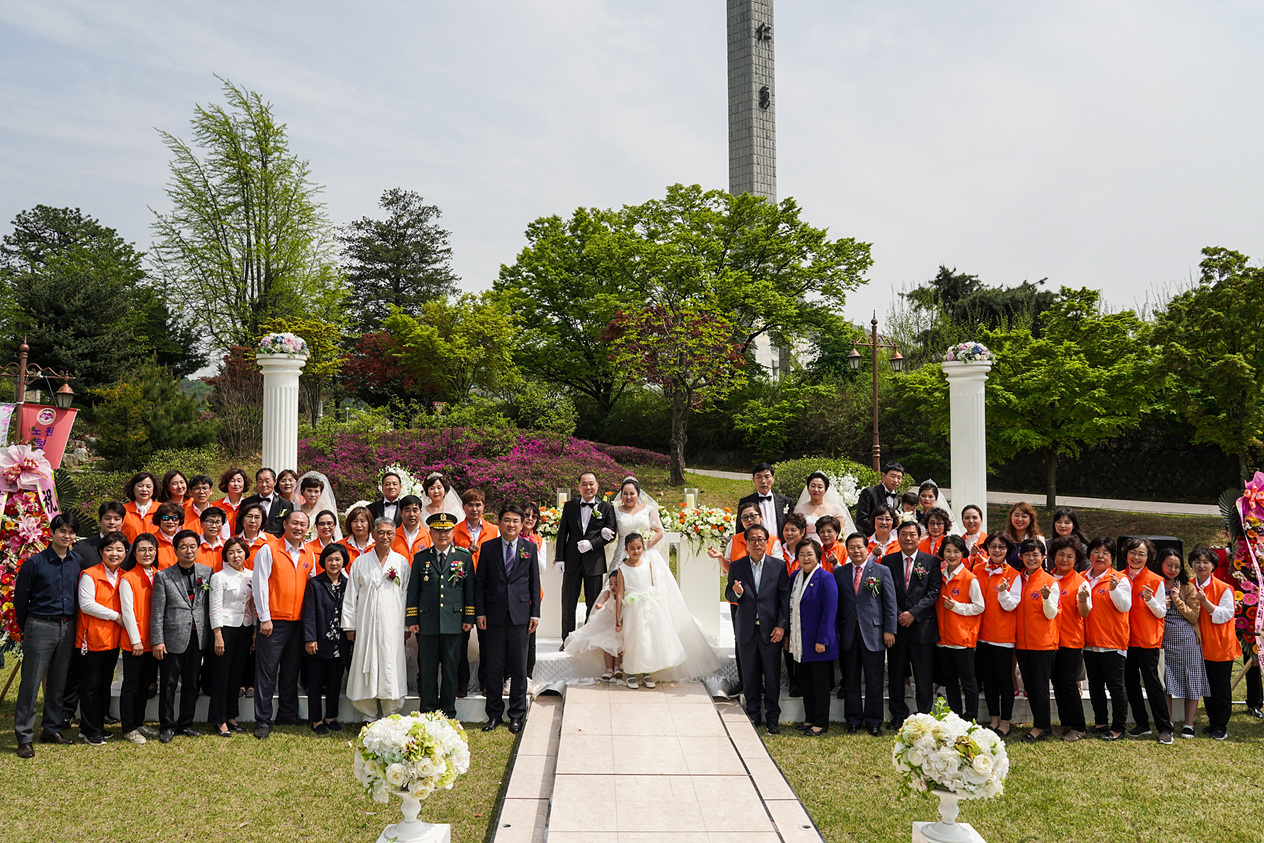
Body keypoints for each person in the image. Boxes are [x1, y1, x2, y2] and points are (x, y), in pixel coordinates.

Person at [13, 513, 81, 758]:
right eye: (62, 531)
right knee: (30, 683)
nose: (67, 536)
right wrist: (29, 626)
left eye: (71, 532)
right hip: (40, 625)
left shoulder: (77, 561)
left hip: (68, 625)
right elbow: (20, 600)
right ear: (52, 533)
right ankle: (24, 735)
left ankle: (51, 728)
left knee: (58, 681)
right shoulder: (35, 563)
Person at [252, 509, 318, 739]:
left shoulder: (310, 554)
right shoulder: (269, 549)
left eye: (303, 524)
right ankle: (262, 718)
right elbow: (259, 584)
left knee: (291, 670)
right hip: (274, 621)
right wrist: (264, 617)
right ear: (286, 525)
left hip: (298, 622)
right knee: (267, 671)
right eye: (295, 523)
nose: (298, 528)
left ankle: (287, 713)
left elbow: (313, 588)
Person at [62, 502, 128, 731]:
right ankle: (68, 714)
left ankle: (101, 715)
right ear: (100, 520)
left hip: (110, 629)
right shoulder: (83, 548)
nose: (112, 522)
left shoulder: (123, 550)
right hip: (85, 623)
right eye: (108, 518)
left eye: (117, 518)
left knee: (102, 676)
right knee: (79, 672)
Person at [475, 505, 541, 733]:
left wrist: (535, 613)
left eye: (515, 521)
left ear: (522, 524)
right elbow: (480, 583)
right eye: (506, 520)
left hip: (521, 616)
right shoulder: (488, 547)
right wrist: (480, 612)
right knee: (494, 666)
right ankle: (493, 714)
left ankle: (516, 714)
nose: (511, 524)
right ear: (500, 523)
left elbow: (534, 584)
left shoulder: (529, 548)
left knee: (519, 668)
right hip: (493, 616)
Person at [406, 513, 475, 719]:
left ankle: (447, 713)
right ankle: (427, 712)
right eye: (438, 531)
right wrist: (412, 620)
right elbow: (413, 592)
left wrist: (469, 618)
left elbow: (469, 591)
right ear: (431, 533)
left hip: (454, 624)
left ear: (453, 532)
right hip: (427, 624)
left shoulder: (463, 557)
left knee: (450, 671)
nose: (442, 535)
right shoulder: (421, 558)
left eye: (446, 531)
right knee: (427, 671)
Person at [344, 517, 411, 720]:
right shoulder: (361, 562)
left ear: (394, 535)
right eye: (380, 532)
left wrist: (407, 625)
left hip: (393, 625)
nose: (385, 537)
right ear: (373, 534)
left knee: (391, 663)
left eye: (389, 533)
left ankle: (392, 713)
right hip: (365, 625)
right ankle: (368, 715)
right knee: (366, 663)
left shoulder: (401, 562)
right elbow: (350, 596)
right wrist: (349, 625)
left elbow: (407, 595)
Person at [726, 522, 790, 734]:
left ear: (767, 542)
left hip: (771, 630)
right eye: (751, 540)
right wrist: (736, 592)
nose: (756, 543)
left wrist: (781, 627)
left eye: (760, 539)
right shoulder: (737, 566)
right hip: (746, 630)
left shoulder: (778, 566)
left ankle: (772, 718)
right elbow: (728, 594)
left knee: (771, 677)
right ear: (746, 543)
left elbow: (784, 599)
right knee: (750, 676)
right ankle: (753, 715)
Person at [151, 529, 213, 743]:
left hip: (198, 636)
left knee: (191, 682)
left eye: (192, 546)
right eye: (184, 547)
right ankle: (167, 725)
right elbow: (158, 611)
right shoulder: (163, 575)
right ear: (175, 550)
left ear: (198, 548)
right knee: (168, 683)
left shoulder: (207, 572)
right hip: (172, 638)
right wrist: (157, 640)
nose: (189, 550)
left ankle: (186, 723)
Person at [835, 532, 897, 734]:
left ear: (867, 548)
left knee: (874, 680)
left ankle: (873, 721)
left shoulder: (881, 570)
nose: (856, 551)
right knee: (851, 679)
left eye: (859, 547)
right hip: (849, 633)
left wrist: (889, 630)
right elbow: (837, 606)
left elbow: (890, 603)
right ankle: (853, 720)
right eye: (851, 547)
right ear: (847, 550)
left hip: (874, 633)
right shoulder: (840, 573)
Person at [883, 519, 941, 728]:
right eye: (904, 534)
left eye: (912, 534)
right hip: (897, 627)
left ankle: (924, 715)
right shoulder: (887, 561)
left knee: (923, 675)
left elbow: (933, 592)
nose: (908, 538)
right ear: (897, 538)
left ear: (919, 537)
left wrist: (913, 614)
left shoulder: (931, 562)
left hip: (922, 628)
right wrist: (899, 614)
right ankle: (898, 715)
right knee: (896, 674)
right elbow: (886, 593)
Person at [75, 532, 128, 745]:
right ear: (100, 552)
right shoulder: (90, 574)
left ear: (125, 552)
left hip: (113, 640)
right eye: (109, 549)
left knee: (104, 684)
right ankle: (90, 730)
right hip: (92, 638)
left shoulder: (124, 575)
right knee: (91, 685)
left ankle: (94, 725)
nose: (114, 554)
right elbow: (86, 604)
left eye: (119, 550)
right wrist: (116, 616)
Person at [618, 532, 689, 689]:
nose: (636, 551)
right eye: (632, 548)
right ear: (625, 549)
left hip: (649, 606)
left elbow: (651, 584)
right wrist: (618, 618)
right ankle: (630, 672)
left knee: (648, 639)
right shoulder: (622, 568)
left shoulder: (648, 563)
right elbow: (619, 594)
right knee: (634, 640)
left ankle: (646, 671)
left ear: (643, 547)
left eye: (638, 548)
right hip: (632, 609)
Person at [1077, 537, 1131, 741]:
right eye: (1096, 551)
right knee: (1095, 686)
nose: (1100, 556)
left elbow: (1125, 606)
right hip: (1089, 642)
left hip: (1112, 642)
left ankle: (1118, 727)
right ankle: (1100, 723)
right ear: (1089, 555)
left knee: (1116, 687)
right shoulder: (1081, 577)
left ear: (1112, 558)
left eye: (1105, 553)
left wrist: (1114, 588)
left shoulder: (1119, 578)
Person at [1120, 537, 1173, 743]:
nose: (1136, 557)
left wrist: (1150, 599)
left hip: (1147, 639)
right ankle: (1142, 724)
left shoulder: (1155, 580)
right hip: (1124, 639)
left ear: (1148, 557)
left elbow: (1161, 613)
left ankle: (1164, 727)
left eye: (1141, 554)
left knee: (1152, 684)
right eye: (1133, 552)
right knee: (1130, 683)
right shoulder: (1118, 577)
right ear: (1126, 554)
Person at [556, 472, 617, 640]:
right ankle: (567, 640)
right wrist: (560, 558)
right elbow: (562, 534)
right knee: (568, 603)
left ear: (597, 486)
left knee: (594, 603)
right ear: (579, 487)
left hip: (594, 562)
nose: (588, 487)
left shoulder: (606, 507)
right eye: (584, 484)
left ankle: (591, 639)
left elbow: (611, 533)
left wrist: (592, 544)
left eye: (591, 484)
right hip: (571, 561)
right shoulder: (570, 506)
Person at [1012, 539, 1060, 741]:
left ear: (1043, 557)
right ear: (1021, 556)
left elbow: (1051, 614)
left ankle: (1041, 726)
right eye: (1027, 554)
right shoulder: (1017, 579)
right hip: (1022, 643)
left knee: (1039, 687)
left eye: (1036, 554)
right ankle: (1040, 724)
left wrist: (1047, 598)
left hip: (1042, 643)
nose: (1031, 558)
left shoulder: (1050, 582)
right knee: (1030, 687)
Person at [788, 540, 838, 736]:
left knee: (820, 684)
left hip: (818, 641)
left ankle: (821, 722)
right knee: (805, 683)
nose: (805, 558)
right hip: (800, 641)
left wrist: (822, 640)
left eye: (809, 554)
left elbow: (830, 611)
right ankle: (809, 718)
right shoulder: (794, 577)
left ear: (818, 556)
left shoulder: (826, 578)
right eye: (801, 554)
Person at [1190, 545, 1240, 740]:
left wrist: (1205, 602)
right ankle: (1212, 722)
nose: (1201, 566)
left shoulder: (1224, 588)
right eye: (1197, 562)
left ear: (1213, 565)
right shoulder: (1190, 585)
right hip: (1200, 646)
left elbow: (1224, 615)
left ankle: (1221, 725)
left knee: (1221, 688)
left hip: (1220, 645)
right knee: (1207, 687)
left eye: (1206, 562)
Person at [208, 538, 256, 737]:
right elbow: (215, 606)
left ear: (246, 553)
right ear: (226, 556)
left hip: (244, 628)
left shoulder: (252, 576)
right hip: (225, 629)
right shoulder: (219, 577)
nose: (236, 556)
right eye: (231, 553)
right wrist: (218, 635)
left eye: (239, 551)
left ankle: (231, 715)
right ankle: (219, 719)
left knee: (237, 674)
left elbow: (253, 606)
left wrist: (253, 632)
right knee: (222, 675)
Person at [975, 532, 1021, 736]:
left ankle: (1006, 721)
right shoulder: (977, 570)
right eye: (992, 546)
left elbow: (1011, 605)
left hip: (1002, 637)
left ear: (1008, 550)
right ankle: (993, 719)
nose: (996, 550)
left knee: (1004, 681)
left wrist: (1003, 591)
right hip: (980, 635)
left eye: (1001, 547)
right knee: (988, 680)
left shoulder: (1014, 575)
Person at [1156, 547, 1205, 740]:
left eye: (1177, 566)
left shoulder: (1187, 587)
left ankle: (1189, 724)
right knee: (1166, 681)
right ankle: (1167, 721)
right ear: (1160, 564)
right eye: (1169, 565)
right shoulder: (1154, 583)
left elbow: (1194, 616)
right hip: (1163, 639)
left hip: (1187, 640)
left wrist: (1176, 599)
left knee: (1190, 680)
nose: (1173, 569)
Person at [454, 489, 498, 695]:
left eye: (478, 504)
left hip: (487, 589)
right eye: (470, 505)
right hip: (461, 589)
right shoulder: (454, 531)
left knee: (487, 639)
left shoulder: (493, 530)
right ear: (463, 507)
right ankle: (461, 682)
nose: (474, 508)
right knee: (460, 639)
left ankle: (486, 681)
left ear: (484, 507)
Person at [936, 535, 984, 723]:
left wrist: (957, 607)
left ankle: (971, 716)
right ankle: (955, 716)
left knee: (968, 681)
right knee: (949, 681)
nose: (952, 554)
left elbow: (979, 606)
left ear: (963, 553)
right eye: (948, 551)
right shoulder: (939, 576)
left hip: (963, 639)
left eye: (956, 551)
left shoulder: (970, 578)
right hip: (943, 638)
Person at [303, 544, 351, 734]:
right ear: (323, 561)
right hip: (319, 640)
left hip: (341, 642)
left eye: (338, 559)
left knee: (335, 681)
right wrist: (310, 638)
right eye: (330, 559)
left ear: (343, 562)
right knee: (315, 682)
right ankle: (316, 720)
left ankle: (330, 717)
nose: (334, 563)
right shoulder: (315, 583)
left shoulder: (348, 584)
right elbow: (309, 613)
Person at [118, 534, 160, 744]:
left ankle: (139, 721)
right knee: (132, 684)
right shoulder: (128, 578)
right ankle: (128, 727)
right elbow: (127, 612)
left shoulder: (159, 575)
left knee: (145, 684)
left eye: (151, 549)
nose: (147, 553)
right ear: (134, 554)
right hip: (135, 641)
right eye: (142, 549)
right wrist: (135, 640)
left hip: (154, 641)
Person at [1047, 536, 1088, 741]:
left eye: (1069, 556)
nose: (1064, 559)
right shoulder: (1048, 578)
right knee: (1057, 682)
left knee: (1068, 682)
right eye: (1061, 555)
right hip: (1050, 639)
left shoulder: (1080, 582)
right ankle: (1066, 723)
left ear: (1076, 559)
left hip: (1070, 640)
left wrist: (1082, 601)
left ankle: (1079, 726)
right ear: (1054, 556)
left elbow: (1085, 612)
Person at [795, 471, 859, 540]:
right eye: (813, 486)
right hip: (807, 547)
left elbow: (842, 533)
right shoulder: (799, 510)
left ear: (825, 490)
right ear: (808, 488)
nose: (816, 490)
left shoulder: (835, 509)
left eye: (820, 487)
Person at [739, 462, 795, 539]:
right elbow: (740, 529)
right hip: (755, 547)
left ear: (773, 479)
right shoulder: (745, 502)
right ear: (754, 480)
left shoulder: (786, 501)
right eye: (759, 477)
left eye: (767, 477)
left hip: (780, 546)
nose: (763, 481)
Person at [855, 461, 904, 540]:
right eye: (893, 476)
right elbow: (861, 519)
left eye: (899, 478)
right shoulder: (869, 493)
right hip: (869, 539)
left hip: (890, 541)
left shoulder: (897, 500)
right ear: (884, 476)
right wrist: (881, 530)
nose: (896, 480)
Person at [240, 468, 293, 537]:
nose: (264, 484)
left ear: (275, 481)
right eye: (260, 481)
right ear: (256, 482)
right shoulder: (247, 502)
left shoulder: (285, 505)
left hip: (275, 544)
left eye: (267, 481)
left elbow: (287, 528)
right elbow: (240, 525)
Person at [297, 471, 341, 540]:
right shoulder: (296, 508)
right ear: (302, 491)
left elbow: (334, 531)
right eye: (309, 491)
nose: (313, 495)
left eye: (316, 491)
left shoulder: (327, 509)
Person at [1001, 502, 1044, 570]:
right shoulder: (1003, 539)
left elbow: (1044, 565)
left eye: (1024, 516)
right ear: (1011, 517)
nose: (1020, 519)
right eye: (1016, 515)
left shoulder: (1038, 539)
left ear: (1030, 519)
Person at [122, 471, 159, 542]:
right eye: (140, 486)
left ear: (154, 489)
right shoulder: (123, 510)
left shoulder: (161, 509)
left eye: (148, 486)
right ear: (133, 488)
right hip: (130, 551)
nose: (144, 490)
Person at [215, 468, 250, 539]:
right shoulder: (216, 505)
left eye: (239, 481)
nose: (236, 484)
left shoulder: (249, 505)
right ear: (226, 483)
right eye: (232, 481)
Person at [234, 502, 270, 567]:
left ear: (262, 520)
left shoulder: (271, 541)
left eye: (257, 517)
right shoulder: (234, 541)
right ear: (242, 519)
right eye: (249, 516)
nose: (253, 521)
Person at [150, 502, 185, 570]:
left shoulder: (184, 540)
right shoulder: (151, 540)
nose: (170, 522)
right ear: (159, 520)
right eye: (165, 518)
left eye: (174, 518)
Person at [195, 507, 227, 571]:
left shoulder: (227, 546)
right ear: (201, 523)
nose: (214, 526)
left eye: (218, 522)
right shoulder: (194, 546)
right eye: (210, 522)